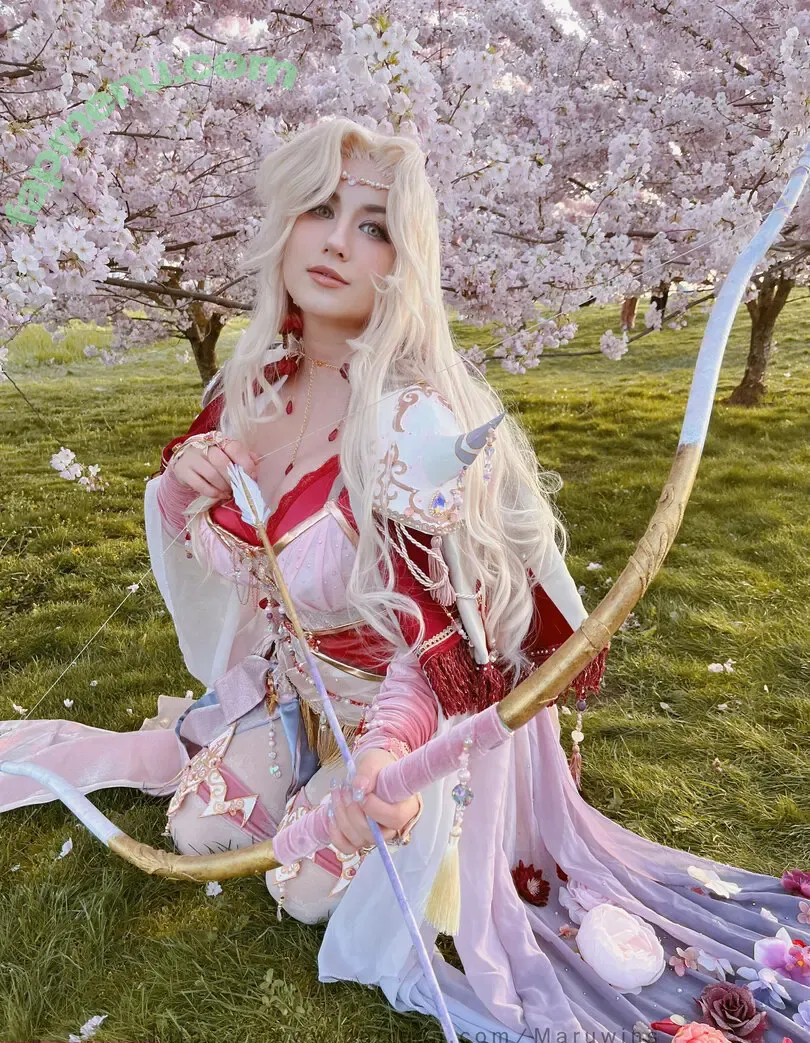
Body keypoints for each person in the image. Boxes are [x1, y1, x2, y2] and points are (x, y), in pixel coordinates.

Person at [1, 118, 808, 1043]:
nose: (337, 242)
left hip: (404, 721)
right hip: (292, 691)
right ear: (284, 224)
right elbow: (223, 550)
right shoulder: (249, 387)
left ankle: (407, 811)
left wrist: (389, 758)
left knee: (306, 890)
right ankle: (304, 771)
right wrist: (188, 484)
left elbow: (440, 646)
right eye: (319, 209)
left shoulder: (415, 427)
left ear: (404, 261)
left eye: (374, 226)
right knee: (198, 830)